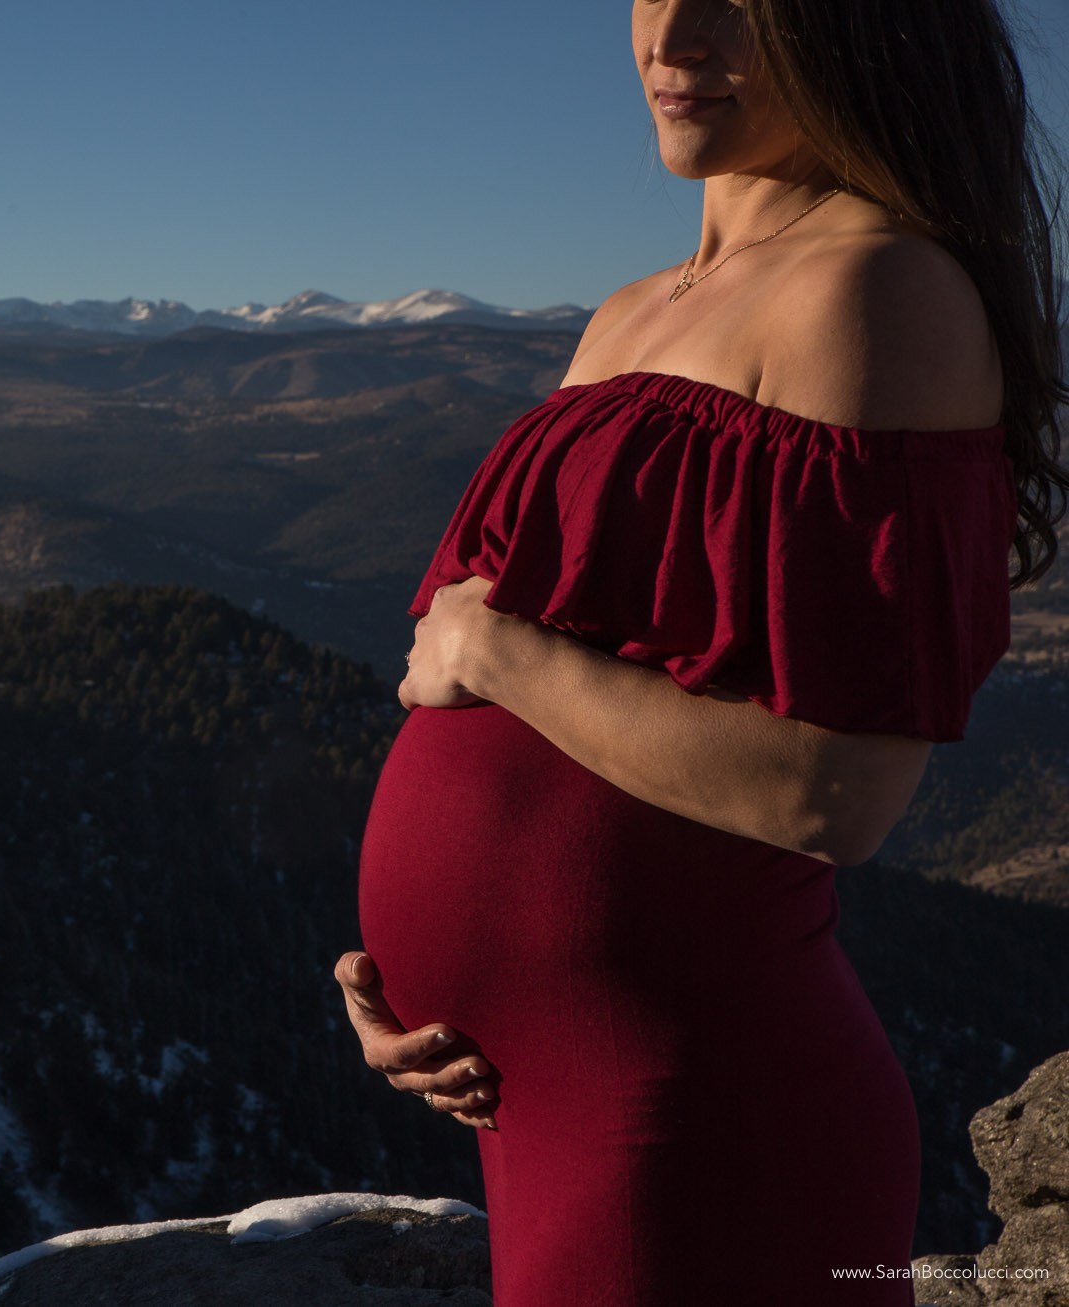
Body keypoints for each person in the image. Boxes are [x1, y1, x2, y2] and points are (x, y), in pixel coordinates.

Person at [334, 0, 1067, 1303]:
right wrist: (412, 979)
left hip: (690, 1113)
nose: (674, 39)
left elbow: (831, 793)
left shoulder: (877, 290)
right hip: (545, 1095)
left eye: (744, 4)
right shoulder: (629, 313)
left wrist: (502, 659)